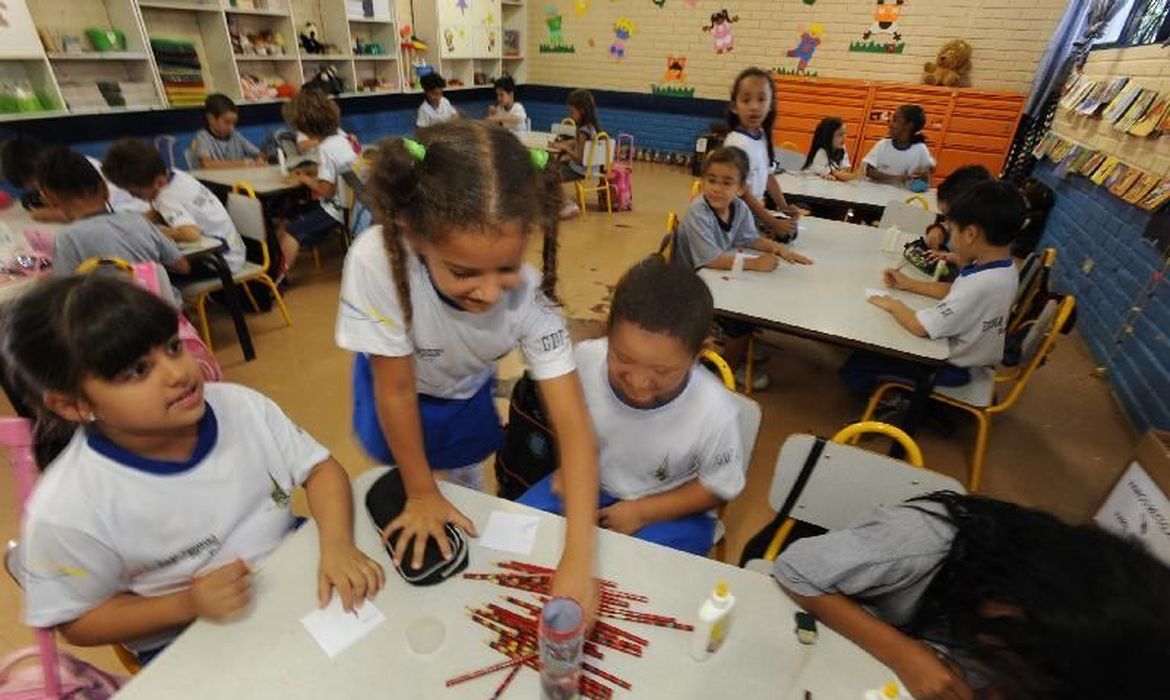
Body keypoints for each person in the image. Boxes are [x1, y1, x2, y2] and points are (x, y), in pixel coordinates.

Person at [6, 275, 384, 664]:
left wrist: (338, 545)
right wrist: (187, 603)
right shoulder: (68, 507)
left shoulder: (242, 408)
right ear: (73, 406)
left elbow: (320, 470)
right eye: (137, 371)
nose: (177, 373)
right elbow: (77, 621)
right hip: (186, 635)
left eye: (172, 347)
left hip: (296, 570)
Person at [335, 120, 599, 614]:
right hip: (399, 388)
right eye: (462, 272)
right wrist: (419, 493)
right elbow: (394, 392)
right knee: (407, 484)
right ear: (414, 235)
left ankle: (458, 491)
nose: (488, 291)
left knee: (463, 484)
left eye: (507, 267)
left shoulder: (532, 298)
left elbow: (575, 427)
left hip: (462, 389)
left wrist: (579, 559)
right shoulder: (378, 262)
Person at [773, 491, 1170, 699]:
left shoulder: (1061, 645)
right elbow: (795, 569)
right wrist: (907, 656)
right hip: (818, 645)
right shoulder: (921, 542)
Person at [518, 256, 747, 556]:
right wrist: (567, 465)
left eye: (662, 371)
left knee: (636, 576)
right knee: (515, 530)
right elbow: (568, 418)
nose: (638, 383)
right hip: (588, 480)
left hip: (669, 507)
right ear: (606, 331)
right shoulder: (585, 359)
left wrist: (642, 511)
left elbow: (718, 486)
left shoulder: (714, 410)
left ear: (699, 354)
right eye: (623, 359)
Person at [844, 180, 1025, 398]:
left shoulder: (980, 284)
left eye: (952, 230)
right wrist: (909, 284)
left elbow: (919, 326)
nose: (951, 238)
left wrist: (893, 304)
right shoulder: (1005, 268)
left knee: (862, 360)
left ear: (970, 234)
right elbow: (954, 291)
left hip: (948, 367)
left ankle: (893, 402)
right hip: (974, 360)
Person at [675, 146, 811, 390]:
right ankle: (727, 367)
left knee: (754, 300)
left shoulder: (739, 207)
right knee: (740, 322)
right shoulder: (699, 212)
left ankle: (740, 349)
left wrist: (778, 249)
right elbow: (710, 259)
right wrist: (755, 264)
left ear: (740, 188)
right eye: (711, 180)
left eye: (727, 182)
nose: (716, 188)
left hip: (716, 279)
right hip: (690, 289)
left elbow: (749, 238)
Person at [35, 148, 190, 304]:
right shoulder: (138, 221)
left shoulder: (67, 239)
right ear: (105, 190)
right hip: (165, 313)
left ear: (50, 199)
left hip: (115, 323)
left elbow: (66, 293)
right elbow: (183, 266)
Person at [102, 139, 247, 275]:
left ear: (158, 182)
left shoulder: (166, 198)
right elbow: (158, 212)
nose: (133, 197)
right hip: (233, 251)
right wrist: (134, 222)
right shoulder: (176, 175)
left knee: (150, 271)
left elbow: (191, 234)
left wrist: (153, 232)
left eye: (135, 192)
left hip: (219, 262)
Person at [274, 88, 356, 282]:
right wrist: (312, 174)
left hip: (337, 209)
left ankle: (274, 281)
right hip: (348, 204)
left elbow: (325, 191)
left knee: (293, 230)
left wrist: (305, 179)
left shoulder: (327, 148)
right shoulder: (341, 139)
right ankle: (279, 269)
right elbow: (336, 172)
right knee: (287, 218)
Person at [723, 67, 799, 242]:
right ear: (734, 106)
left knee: (790, 232)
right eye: (746, 100)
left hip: (753, 213)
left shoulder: (761, 135)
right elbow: (743, 194)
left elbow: (768, 176)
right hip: (735, 217)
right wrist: (773, 222)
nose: (754, 107)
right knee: (783, 239)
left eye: (761, 99)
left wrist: (783, 206)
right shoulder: (736, 143)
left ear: (770, 105)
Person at [1, 137, 148, 222]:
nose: (39, 190)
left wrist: (48, 214)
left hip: (132, 217)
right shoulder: (65, 168)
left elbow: (94, 214)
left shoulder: (79, 172)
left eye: (33, 183)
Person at [922, 165, 993, 267]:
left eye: (950, 218)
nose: (948, 225)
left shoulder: (985, 262)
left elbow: (963, 275)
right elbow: (963, 259)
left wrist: (909, 283)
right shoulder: (980, 232)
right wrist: (939, 229)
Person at [549, 89, 600, 218]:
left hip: (579, 169)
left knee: (550, 174)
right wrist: (562, 144)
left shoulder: (583, 131)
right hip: (589, 168)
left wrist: (566, 150)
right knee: (552, 166)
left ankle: (567, 204)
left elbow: (578, 159)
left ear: (581, 110)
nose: (571, 115)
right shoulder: (591, 127)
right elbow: (576, 141)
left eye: (572, 111)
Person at [863, 104, 935, 186]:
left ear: (909, 125)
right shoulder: (883, 144)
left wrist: (923, 175)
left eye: (895, 120)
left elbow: (926, 177)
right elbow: (869, 171)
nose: (890, 125)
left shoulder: (920, 149)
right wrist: (897, 178)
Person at [191, 93, 268, 169]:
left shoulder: (235, 136)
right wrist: (242, 163)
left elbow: (260, 154)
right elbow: (207, 164)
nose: (232, 128)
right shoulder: (203, 137)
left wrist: (260, 159)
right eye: (227, 122)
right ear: (211, 119)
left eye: (234, 123)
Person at [802, 117, 859, 181]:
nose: (844, 137)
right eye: (840, 134)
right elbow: (839, 175)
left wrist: (841, 173)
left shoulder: (841, 148)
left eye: (844, 133)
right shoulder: (821, 152)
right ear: (828, 137)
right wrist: (859, 174)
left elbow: (846, 169)